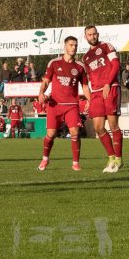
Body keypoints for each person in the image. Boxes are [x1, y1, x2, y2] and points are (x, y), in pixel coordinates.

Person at [37, 36, 91, 171]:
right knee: (51, 135)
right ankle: (45, 159)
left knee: (75, 133)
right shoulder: (54, 63)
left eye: (76, 45)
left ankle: (75, 163)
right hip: (55, 105)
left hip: (72, 105)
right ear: (65, 46)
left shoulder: (80, 67)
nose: (74, 47)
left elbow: (85, 87)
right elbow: (45, 81)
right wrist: (41, 93)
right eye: (71, 45)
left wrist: (91, 100)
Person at [83, 25, 124, 173]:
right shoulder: (86, 57)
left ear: (97, 34)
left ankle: (118, 159)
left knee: (113, 126)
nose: (92, 36)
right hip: (96, 93)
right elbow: (89, 77)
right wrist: (90, 98)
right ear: (85, 37)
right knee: (98, 128)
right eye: (89, 35)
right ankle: (111, 157)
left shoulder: (107, 46)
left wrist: (108, 84)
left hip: (111, 87)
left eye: (94, 34)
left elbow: (116, 65)